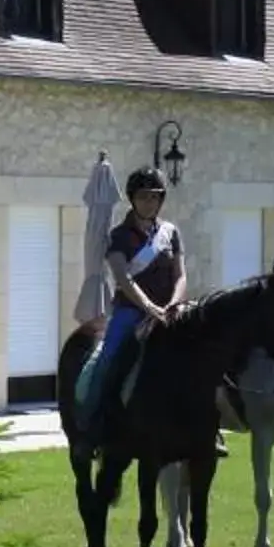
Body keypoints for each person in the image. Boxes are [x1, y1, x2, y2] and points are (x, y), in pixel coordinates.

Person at [79, 165, 184, 449]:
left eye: (154, 197)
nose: (148, 202)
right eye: (142, 197)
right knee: (108, 361)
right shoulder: (119, 235)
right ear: (132, 199)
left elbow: (180, 274)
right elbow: (123, 278)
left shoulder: (170, 232)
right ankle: (90, 428)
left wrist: (173, 304)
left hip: (170, 310)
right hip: (131, 311)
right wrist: (150, 307)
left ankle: (206, 430)